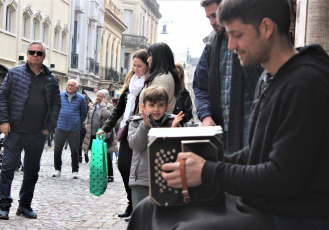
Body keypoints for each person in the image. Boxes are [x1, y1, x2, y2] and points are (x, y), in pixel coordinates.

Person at [128, 0, 329, 229]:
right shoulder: (272, 78)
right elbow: (256, 153)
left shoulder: (306, 84)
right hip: (263, 202)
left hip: (294, 214)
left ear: (266, 28)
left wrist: (206, 170)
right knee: (148, 209)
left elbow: (281, 177)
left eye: (236, 34)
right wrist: (202, 160)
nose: (231, 45)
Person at [0, 41, 61, 220]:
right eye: (32, 52)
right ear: (27, 54)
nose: (35, 55)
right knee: (8, 168)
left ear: (43, 57)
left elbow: (56, 104)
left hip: (38, 133)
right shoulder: (14, 73)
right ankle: (4, 206)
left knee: (31, 171)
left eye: (39, 53)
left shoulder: (51, 78)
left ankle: (24, 205)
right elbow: (2, 97)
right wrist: (3, 121)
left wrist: (50, 126)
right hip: (15, 130)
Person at [193, 0, 261, 154]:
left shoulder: (252, 40)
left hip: (250, 127)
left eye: (215, 16)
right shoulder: (210, 46)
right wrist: (205, 116)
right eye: (208, 18)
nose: (211, 22)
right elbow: (200, 88)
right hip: (219, 128)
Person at [97, 49, 148, 220]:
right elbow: (118, 110)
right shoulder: (130, 84)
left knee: (137, 171)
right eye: (133, 66)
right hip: (127, 129)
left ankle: (138, 207)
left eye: (139, 66)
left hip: (141, 131)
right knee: (123, 166)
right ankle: (131, 202)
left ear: (147, 66)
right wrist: (105, 127)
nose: (136, 69)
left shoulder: (149, 85)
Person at [128, 85, 183, 209]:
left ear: (167, 107)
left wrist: (173, 130)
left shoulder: (172, 122)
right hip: (141, 180)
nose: (156, 109)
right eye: (152, 105)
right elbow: (136, 145)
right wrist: (145, 126)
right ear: (144, 107)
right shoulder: (136, 122)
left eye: (160, 105)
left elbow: (177, 150)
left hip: (166, 179)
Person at [52, 79, 87, 179]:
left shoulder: (81, 98)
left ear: (76, 87)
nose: (70, 87)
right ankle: (57, 169)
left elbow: (83, 113)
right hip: (60, 127)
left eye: (72, 85)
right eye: (69, 85)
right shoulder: (60, 96)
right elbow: (55, 109)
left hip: (74, 129)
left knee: (75, 151)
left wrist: (77, 122)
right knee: (57, 149)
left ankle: (75, 171)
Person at [82, 89, 118, 183]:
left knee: (106, 155)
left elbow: (108, 116)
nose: (98, 98)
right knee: (96, 155)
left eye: (100, 96)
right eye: (97, 96)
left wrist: (102, 105)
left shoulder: (109, 106)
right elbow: (88, 116)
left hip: (104, 134)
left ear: (105, 98)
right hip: (93, 133)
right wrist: (85, 123)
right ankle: (97, 174)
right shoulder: (93, 106)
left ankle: (110, 175)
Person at [138, 42, 180, 114]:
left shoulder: (162, 79)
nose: (148, 60)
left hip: (153, 123)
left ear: (158, 58)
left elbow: (155, 109)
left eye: (150, 56)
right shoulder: (163, 76)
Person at [79, 93, 92, 163]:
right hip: (86, 126)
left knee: (79, 142)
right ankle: (85, 152)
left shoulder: (79, 106)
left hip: (80, 125)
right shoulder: (89, 107)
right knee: (86, 141)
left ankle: (80, 157)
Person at [109, 97, 120, 162]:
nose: (110, 103)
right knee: (114, 143)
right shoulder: (120, 108)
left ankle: (113, 158)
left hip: (114, 127)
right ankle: (117, 156)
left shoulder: (113, 109)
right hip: (118, 127)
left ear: (114, 103)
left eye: (111, 102)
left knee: (112, 143)